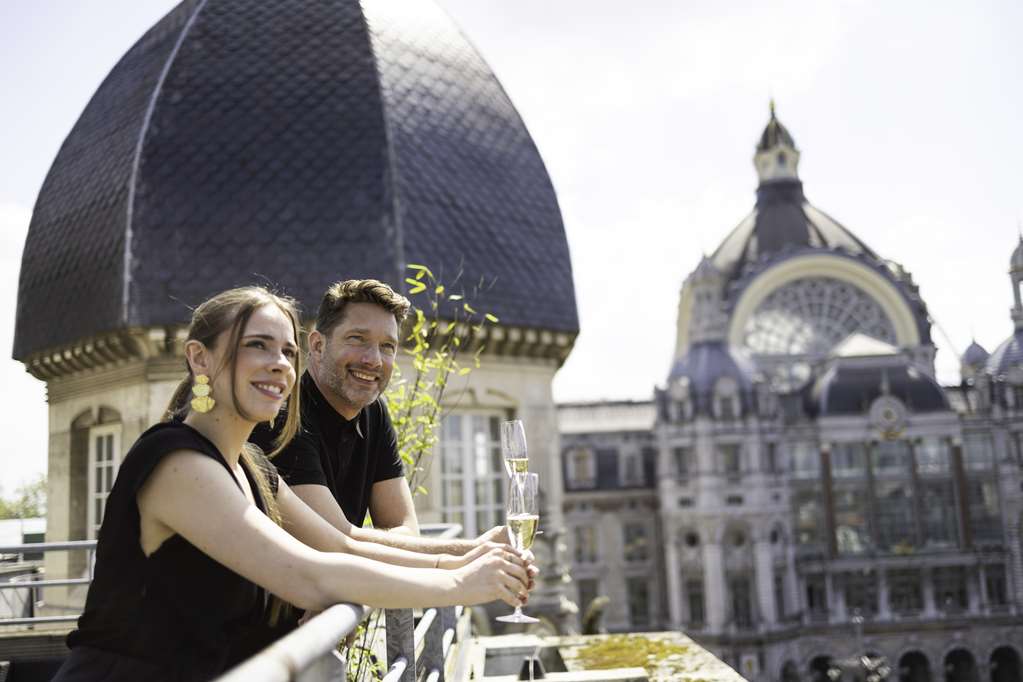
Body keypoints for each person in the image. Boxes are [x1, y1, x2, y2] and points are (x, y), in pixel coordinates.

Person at [53, 287, 533, 682]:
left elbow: (342, 544)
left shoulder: (252, 465)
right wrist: (459, 583)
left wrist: (471, 556)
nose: (280, 364)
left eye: (287, 351)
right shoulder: (177, 461)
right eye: (257, 345)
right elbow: (310, 576)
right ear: (200, 358)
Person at [250, 279, 506, 551]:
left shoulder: (373, 411)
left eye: (387, 346)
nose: (373, 359)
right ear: (317, 346)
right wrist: (471, 550)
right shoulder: (283, 417)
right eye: (357, 339)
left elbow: (406, 528)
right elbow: (337, 541)